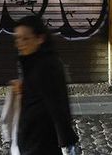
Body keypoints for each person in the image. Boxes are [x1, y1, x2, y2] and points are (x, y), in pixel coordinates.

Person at [10, 15, 80, 155]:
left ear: (40, 39)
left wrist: (66, 142)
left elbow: (58, 105)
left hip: (42, 140)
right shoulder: (31, 61)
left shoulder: (48, 65)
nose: (20, 43)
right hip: (29, 138)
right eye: (17, 38)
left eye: (25, 38)